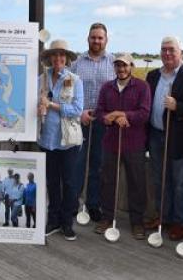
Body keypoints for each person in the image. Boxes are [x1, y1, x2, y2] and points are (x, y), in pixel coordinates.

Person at [145, 36, 183, 241]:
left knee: (180, 182)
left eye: (171, 49)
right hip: (156, 135)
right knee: (160, 179)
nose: (167, 53)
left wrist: (178, 106)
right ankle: (164, 217)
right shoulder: (153, 76)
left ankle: (180, 222)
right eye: (164, 49)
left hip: (179, 139)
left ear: (182, 52)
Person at [93, 54, 151, 240]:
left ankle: (137, 222)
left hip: (134, 143)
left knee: (136, 183)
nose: (121, 69)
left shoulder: (142, 86)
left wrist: (123, 114)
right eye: (118, 66)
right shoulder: (106, 87)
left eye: (124, 66)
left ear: (131, 66)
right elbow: (100, 111)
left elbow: (144, 113)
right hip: (110, 143)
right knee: (107, 181)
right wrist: (107, 118)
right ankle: (107, 217)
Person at [38, 39, 84, 241]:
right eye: (54, 55)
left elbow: (77, 110)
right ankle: (53, 219)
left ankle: (67, 221)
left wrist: (52, 105)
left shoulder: (76, 80)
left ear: (67, 59)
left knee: (70, 182)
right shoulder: (41, 79)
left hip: (69, 141)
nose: (58, 59)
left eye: (62, 55)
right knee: (52, 182)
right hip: (47, 140)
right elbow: (35, 102)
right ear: (49, 58)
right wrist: (38, 106)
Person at [71, 22, 115, 221]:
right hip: (80, 120)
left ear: (106, 40)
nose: (96, 41)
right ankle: (72, 203)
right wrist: (80, 113)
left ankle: (93, 204)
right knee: (77, 163)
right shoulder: (77, 64)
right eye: (93, 37)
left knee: (98, 164)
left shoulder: (114, 63)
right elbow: (68, 92)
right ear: (87, 39)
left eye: (100, 37)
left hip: (103, 122)